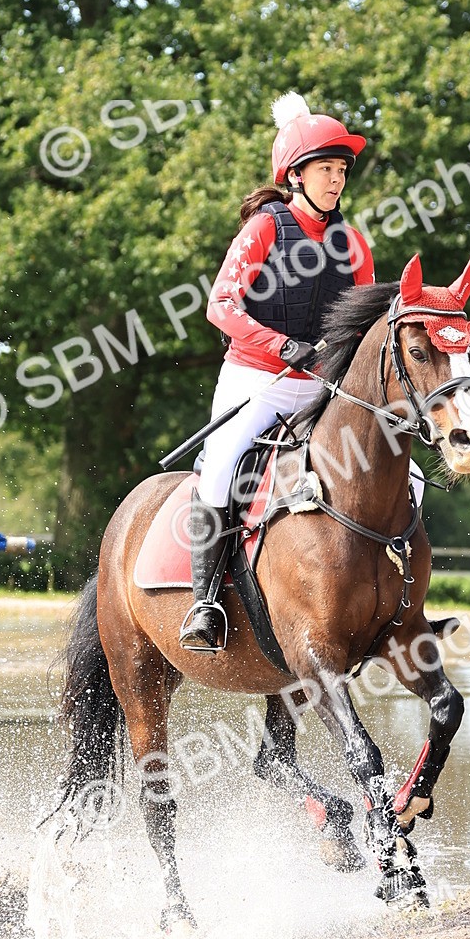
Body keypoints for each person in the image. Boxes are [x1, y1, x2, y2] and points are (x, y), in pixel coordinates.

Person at [179, 92, 374, 651]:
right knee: (219, 470)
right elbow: (221, 305)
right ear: (297, 174)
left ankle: (399, 601)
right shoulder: (265, 229)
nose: (336, 181)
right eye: (326, 170)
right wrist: (279, 344)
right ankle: (205, 603)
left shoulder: (353, 244)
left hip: (322, 386)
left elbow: (361, 328)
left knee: (398, 467)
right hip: (256, 380)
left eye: (341, 171)